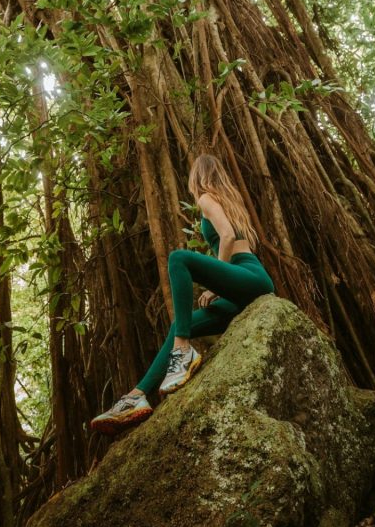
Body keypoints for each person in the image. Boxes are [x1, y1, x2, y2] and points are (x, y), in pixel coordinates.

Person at [90, 153, 275, 435]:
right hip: (248, 289)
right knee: (181, 323)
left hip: (249, 278)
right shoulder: (231, 202)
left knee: (178, 258)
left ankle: (183, 351)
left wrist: (215, 284)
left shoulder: (206, 199)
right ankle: (137, 396)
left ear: (197, 177)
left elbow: (225, 236)